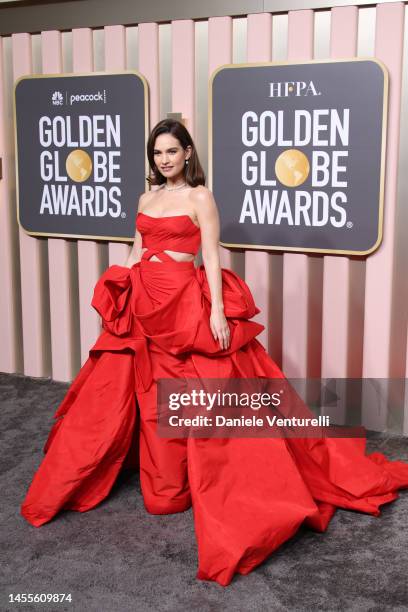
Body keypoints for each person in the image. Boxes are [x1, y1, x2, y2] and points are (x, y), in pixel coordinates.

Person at [21, 119, 408, 587]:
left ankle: (222, 484)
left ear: (187, 153)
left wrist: (218, 312)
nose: (163, 160)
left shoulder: (200, 196)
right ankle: (168, 479)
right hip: (145, 304)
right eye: (157, 154)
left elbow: (210, 255)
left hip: (185, 307)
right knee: (147, 402)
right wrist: (118, 292)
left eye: (171, 151)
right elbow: (135, 251)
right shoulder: (146, 199)